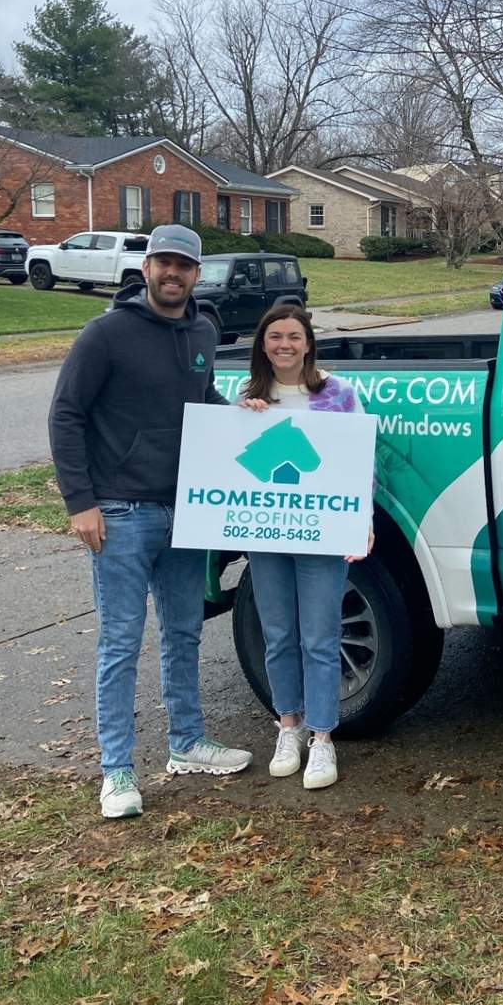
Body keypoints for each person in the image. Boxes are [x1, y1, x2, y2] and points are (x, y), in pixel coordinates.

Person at [48, 224, 253, 820]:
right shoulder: (106, 334)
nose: (172, 273)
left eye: (183, 265)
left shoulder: (203, 330)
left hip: (186, 509)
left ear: (196, 274)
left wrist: (242, 415)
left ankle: (186, 742)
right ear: (145, 269)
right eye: (162, 262)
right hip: (120, 512)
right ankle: (116, 770)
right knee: (120, 641)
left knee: (184, 630)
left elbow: (201, 399)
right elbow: (66, 414)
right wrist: (80, 502)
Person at [239, 303, 374, 790]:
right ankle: (288, 726)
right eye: (275, 336)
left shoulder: (338, 393)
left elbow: (361, 462)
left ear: (309, 343)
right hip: (266, 535)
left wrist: (363, 521)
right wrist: (243, 417)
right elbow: (230, 465)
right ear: (263, 344)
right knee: (278, 636)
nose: (285, 345)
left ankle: (321, 737)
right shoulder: (249, 396)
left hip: (322, 533)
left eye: (294, 336)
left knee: (319, 638)